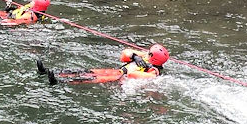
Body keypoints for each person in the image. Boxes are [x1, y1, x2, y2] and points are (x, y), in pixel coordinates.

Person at [38, 43, 170, 85]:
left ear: (155, 59)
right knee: (89, 71)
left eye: (150, 53)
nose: (147, 53)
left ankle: (59, 82)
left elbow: (132, 76)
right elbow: (125, 53)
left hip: (119, 79)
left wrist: (139, 65)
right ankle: (50, 71)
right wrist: (134, 56)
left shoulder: (153, 73)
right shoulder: (145, 57)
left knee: (90, 78)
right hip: (117, 72)